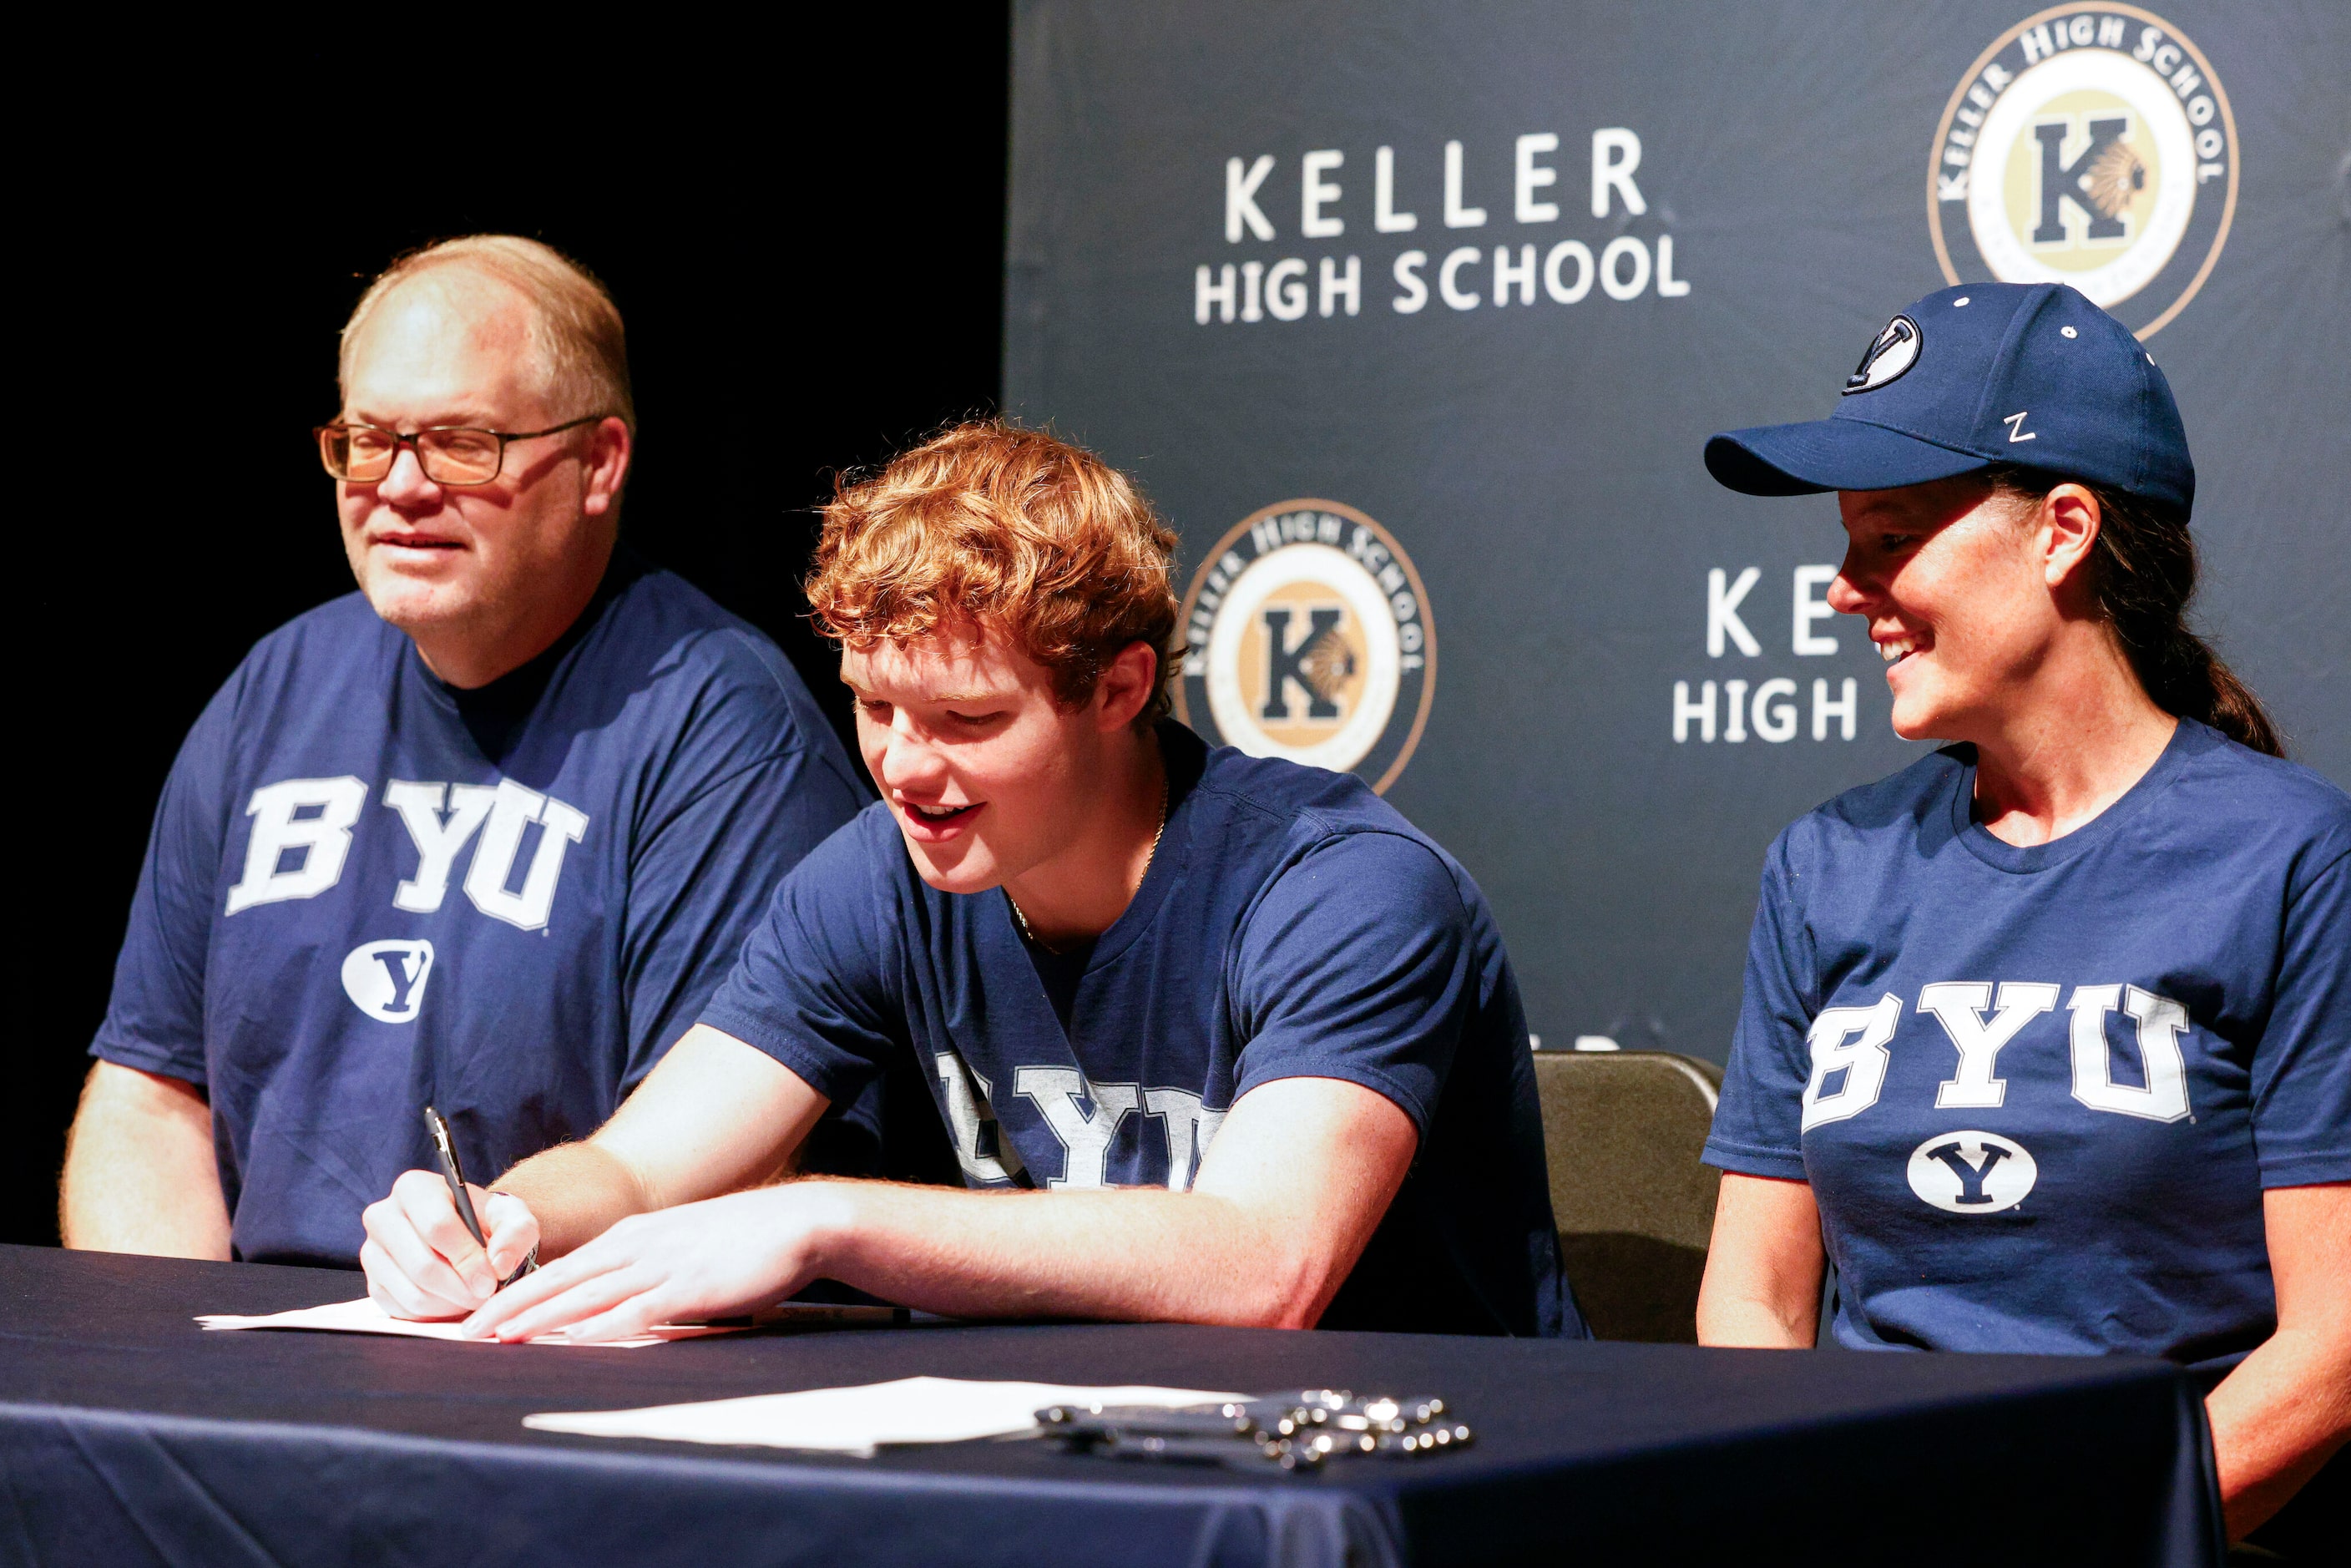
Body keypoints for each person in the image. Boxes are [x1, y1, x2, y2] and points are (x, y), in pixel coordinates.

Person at [357, 420, 1580, 1341]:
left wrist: (820, 1217)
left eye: (969, 718)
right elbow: (636, 1167)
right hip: (1087, 1461)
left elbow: (1264, 1266)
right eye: (875, 705)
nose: (905, 766)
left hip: (1417, 1480)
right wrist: (504, 1216)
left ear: (1120, 689)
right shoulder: (880, 874)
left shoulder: (1342, 889)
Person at [63, 235, 892, 1272]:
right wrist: (170, 1368)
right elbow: (151, 1094)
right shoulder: (276, 687)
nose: (400, 487)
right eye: (367, 439)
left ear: (600, 464)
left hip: (535, 1348)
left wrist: (473, 1270)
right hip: (253, 1364)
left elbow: (722, 1162)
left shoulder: (720, 725)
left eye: (461, 443)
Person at [1692, 282, 2348, 1551]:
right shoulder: (1825, 865)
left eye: (1888, 537)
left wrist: (2073, 1526)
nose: (1845, 589)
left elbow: (2328, 1350)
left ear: (2062, 531)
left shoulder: (2292, 856)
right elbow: (1754, 1302)